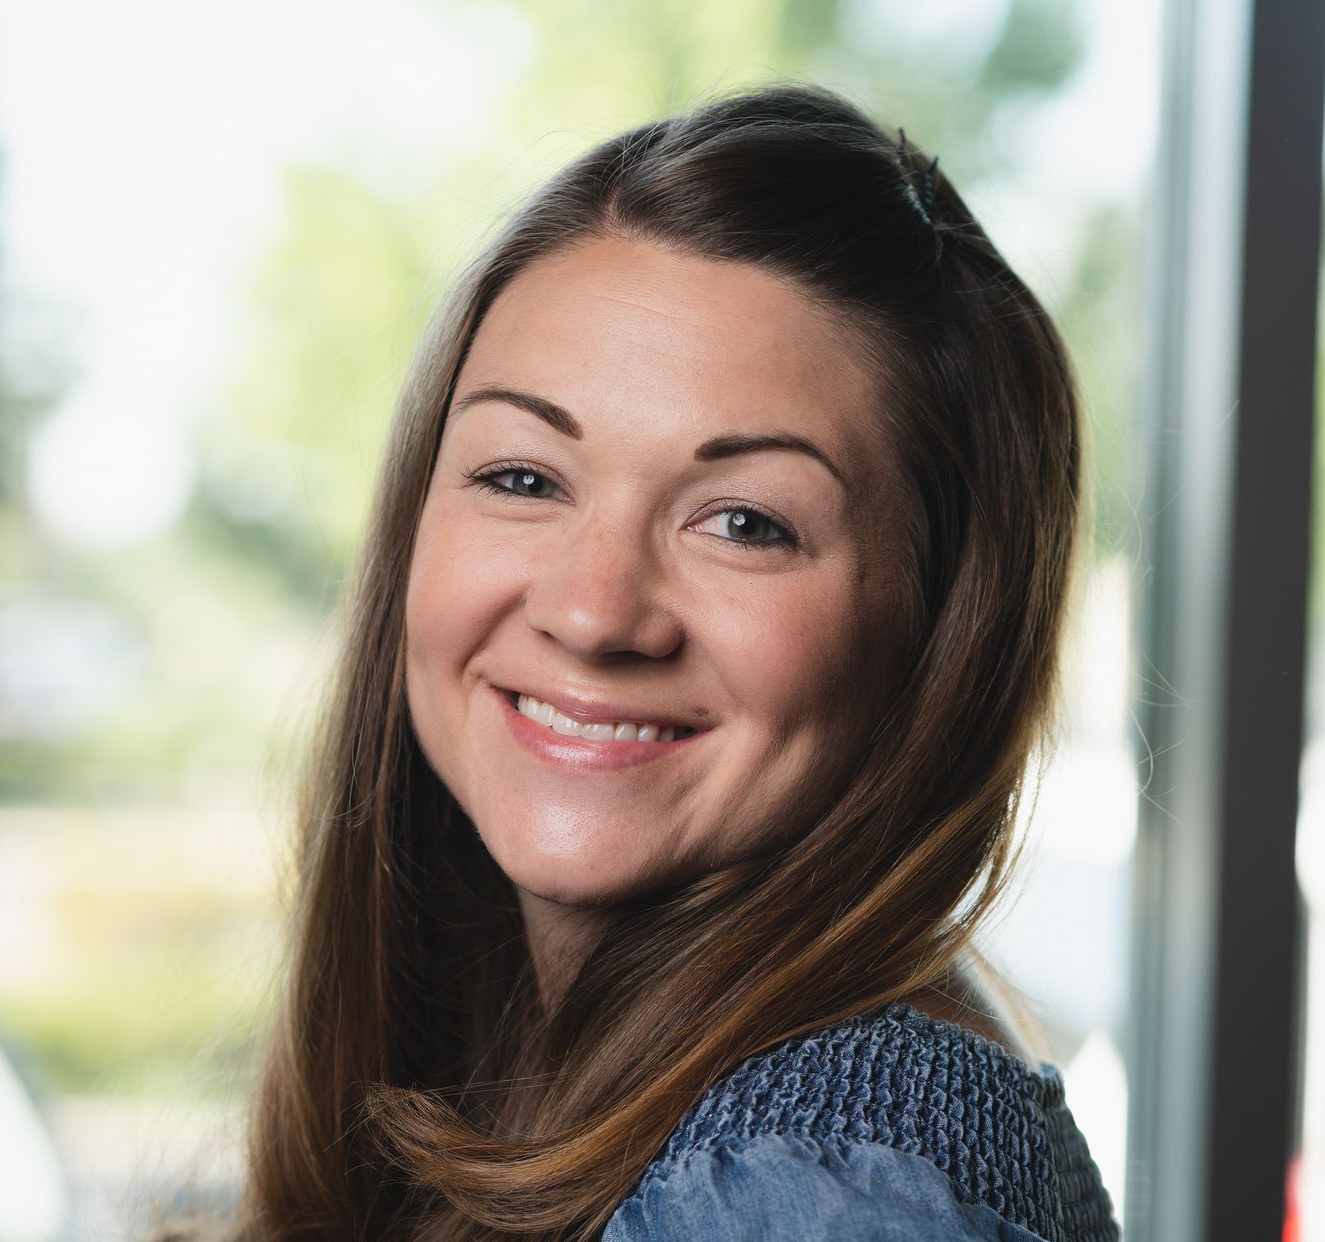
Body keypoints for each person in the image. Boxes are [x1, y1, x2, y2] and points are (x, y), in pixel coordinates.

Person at [227, 83, 1119, 1240]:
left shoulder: (816, 1179)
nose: (595, 614)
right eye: (524, 477)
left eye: (745, 522)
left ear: (939, 634)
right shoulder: (618, 1098)